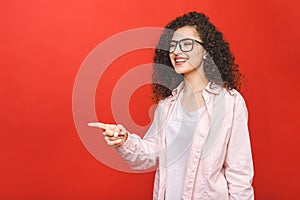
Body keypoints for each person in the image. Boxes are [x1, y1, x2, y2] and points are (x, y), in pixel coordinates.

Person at [88, 11, 254, 200]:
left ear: (207, 51)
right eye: (172, 46)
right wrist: (124, 139)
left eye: (186, 44)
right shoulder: (167, 107)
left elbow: (239, 174)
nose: (176, 52)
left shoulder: (230, 102)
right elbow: (150, 155)